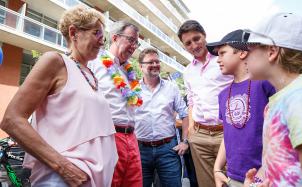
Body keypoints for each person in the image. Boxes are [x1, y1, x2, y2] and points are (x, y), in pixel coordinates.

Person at [0, 5, 118, 187]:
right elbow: (12, 120)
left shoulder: (90, 74)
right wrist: (64, 168)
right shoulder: (55, 61)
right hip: (62, 180)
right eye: (96, 34)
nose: (101, 42)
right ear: (74, 33)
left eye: (103, 37)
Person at [239, 13, 302, 187]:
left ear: (272, 52)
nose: (243, 55)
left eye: (250, 47)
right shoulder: (277, 102)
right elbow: (276, 166)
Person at [205, 30, 275, 187]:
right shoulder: (223, 94)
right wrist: (217, 168)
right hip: (233, 176)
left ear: (242, 53)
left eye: (223, 53)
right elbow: (228, 134)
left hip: (264, 176)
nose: (218, 60)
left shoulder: (265, 83)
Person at [177, 20, 233, 187]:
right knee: (206, 184)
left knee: (233, 182)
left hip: (226, 133)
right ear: (184, 46)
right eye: (188, 43)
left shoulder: (222, 60)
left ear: (204, 36)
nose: (194, 45)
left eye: (197, 38)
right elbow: (192, 101)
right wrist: (192, 131)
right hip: (200, 136)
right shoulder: (187, 71)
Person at [88, 21, 143, 187]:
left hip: (132, 138)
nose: (134, 46)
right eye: (131, 40)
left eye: (136, 43)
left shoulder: (129, 71)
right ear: (115, 37)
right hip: (108, 136)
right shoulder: (95, 62)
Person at [134, 48, 189, 187]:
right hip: (140, 150)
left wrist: (185, 141)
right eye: (150, 62)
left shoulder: (172, 87)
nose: (155, 64)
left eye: (157, 61)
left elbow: (185, 114)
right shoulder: (133, 89)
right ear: (141, 66)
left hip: (168, 150)